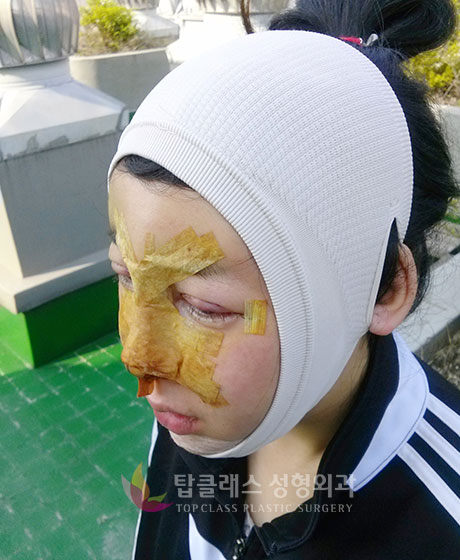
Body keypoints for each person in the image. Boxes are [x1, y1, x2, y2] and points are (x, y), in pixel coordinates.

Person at [107, 0, 460, 557]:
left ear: (387, 285)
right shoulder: (192, 422)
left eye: (205, 306)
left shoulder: (441, 520)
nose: (139, 358)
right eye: (125, 276)